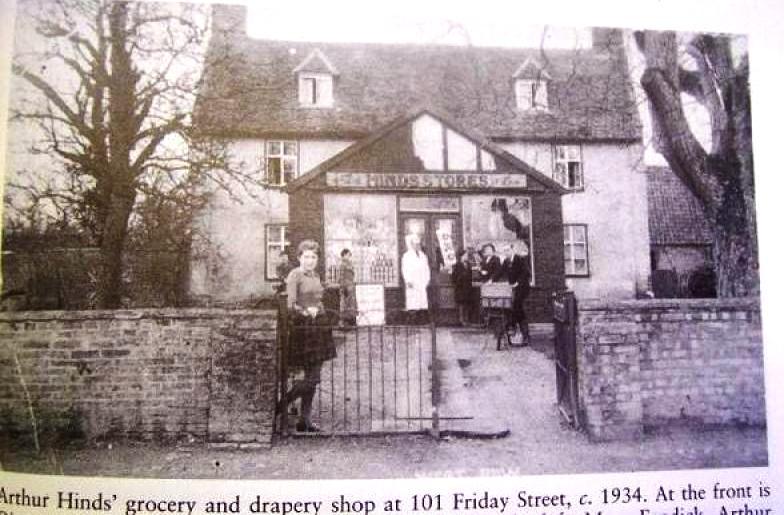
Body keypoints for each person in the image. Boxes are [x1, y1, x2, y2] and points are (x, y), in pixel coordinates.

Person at [279, 240, 336, 432]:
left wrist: (318, 308)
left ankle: (305, 420)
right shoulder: (295, 275)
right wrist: (305, 311)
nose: (310, 260)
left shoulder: (316, 275)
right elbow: (289, 303)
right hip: (303, 328)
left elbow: (319, 300)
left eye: (313, 257)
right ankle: (280, 407)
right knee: (312, 378)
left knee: (315, 376)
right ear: (299, 258)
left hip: (319, 327)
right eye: (306, 256)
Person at [500, 241, 531, 346]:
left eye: (508, 250)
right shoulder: (506, 261)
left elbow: (526, 273)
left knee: (517, 306)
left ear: (512, 250)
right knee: (515, 308)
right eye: (504, 251)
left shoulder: (520, 259)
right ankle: (517, 331)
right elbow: (500, 272)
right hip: (513, 289)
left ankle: (519, 331)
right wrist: (491, 280)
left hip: (522, 287)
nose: (506, 252)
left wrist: (517, 282)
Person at [401, 233, 430, 325]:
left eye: (419, 244)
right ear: (411, 244)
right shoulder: (407, 256)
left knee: (422, 303)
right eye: (416, 244)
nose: (418, 246)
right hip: (412, 283)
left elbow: (427, 269)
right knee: (413, 303)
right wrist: (408, 280)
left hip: (422, 282)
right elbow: (405, 269)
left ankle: (422, 321)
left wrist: (427, 280)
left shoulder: (423, 256)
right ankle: (412, 322)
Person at [451, 249, 474, 326]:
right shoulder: (457, 265)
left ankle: (467, 320)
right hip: (460, 288)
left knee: (467, 304)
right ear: (461, 256)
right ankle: (461, 320)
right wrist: (460, 279)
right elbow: (453, 277)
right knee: (461, 305)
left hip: (468, 288)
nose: (467, 256)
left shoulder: (468, 264)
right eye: (465, 255)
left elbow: (470, 276)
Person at [338, 248, 357, 326]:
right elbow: (341, 277)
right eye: (348, 255)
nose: (350, 257)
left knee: (351, 305)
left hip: (351, 287)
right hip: (346, 288)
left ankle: (350, 322)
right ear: (344, 255)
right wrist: (343, 288)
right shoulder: (343, 264)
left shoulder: (349, 264)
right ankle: (344, 323)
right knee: (345, 306)